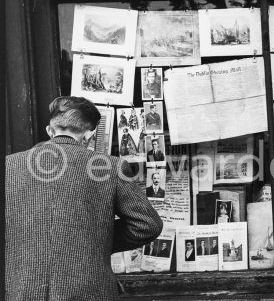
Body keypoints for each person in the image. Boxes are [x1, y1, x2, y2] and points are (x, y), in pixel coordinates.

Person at [6, 96, 163, 301]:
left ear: (49, 130)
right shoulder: (110, 166)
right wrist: (95, 239)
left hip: (20, 290)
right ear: (89, 134)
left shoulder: (8, 166)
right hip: (88, 291)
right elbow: (148, 224)